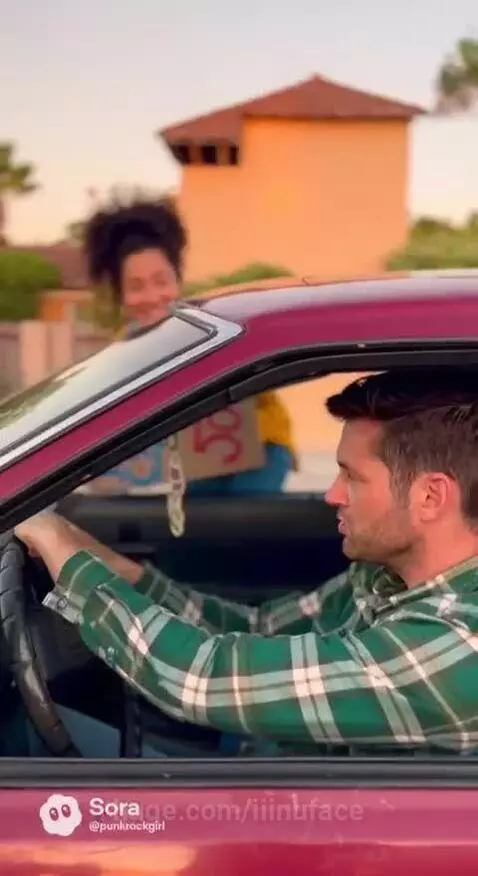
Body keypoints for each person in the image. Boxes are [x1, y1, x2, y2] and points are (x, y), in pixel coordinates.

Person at [14, 368, 478, 757]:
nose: (331, 494)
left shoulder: (457, 645)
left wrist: (64, 555)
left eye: (352, 477)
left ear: (430, 496)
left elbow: (201, 678)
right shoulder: (385, 578)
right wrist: (114, 568)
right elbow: (260, 629)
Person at [83, 196, 297, 494]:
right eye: (136, 286)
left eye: (161, 281)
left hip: (260, 450)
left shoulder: (213, 325)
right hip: (193, 463)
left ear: (178, 280)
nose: (152, 296)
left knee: (240, 521)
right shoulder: (122, 354)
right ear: (121, 295)